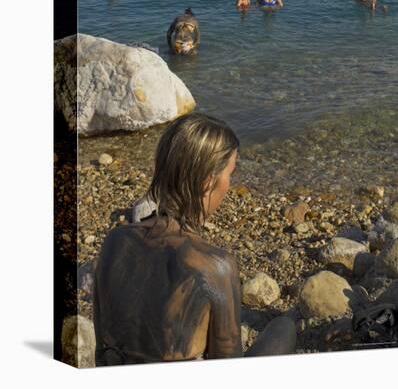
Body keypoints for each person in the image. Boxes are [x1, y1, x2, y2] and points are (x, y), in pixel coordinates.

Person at [94, 113, 296, 365]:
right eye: (229, 173)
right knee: (284, 328)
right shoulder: (214, 267)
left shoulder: (114, 242)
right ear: (207, 182)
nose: (229, 184)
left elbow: (102, 348)